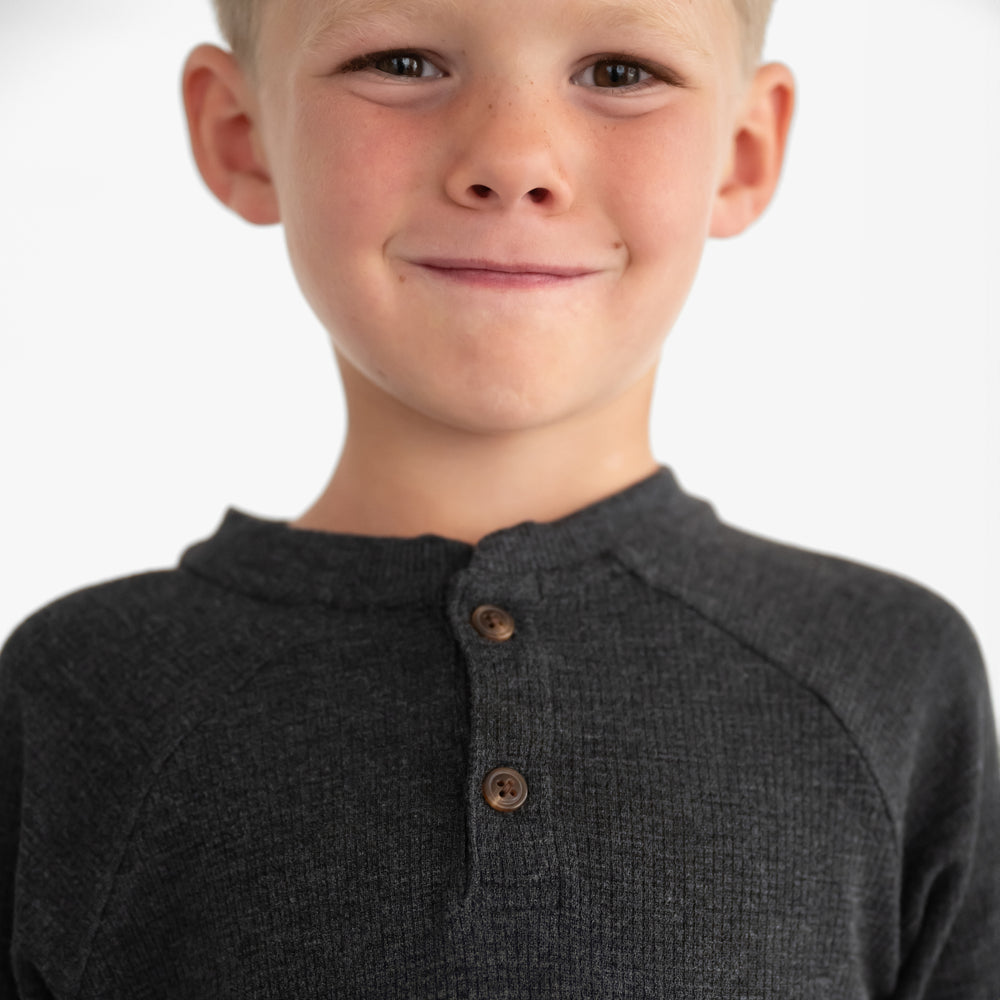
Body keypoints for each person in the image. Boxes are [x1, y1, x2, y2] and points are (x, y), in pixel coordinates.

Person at [1, 0, 997, 995]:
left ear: (742, 150)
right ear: (240, 135)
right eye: (400, 60)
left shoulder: (888, 677)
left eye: (617, 73)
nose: (515, 155)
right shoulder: (79, 697)